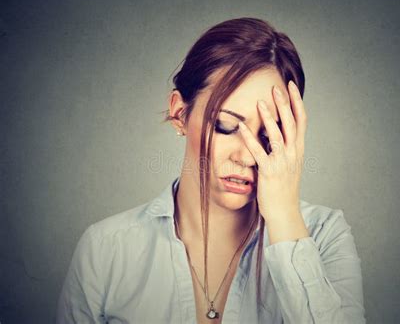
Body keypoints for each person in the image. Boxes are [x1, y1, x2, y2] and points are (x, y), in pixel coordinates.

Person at [56, 17, 366, 324]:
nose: (246, 156)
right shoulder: (106, 250)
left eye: (269, 136)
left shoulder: (325, 235)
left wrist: (284, 216)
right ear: (180, 114)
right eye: (226, 126)